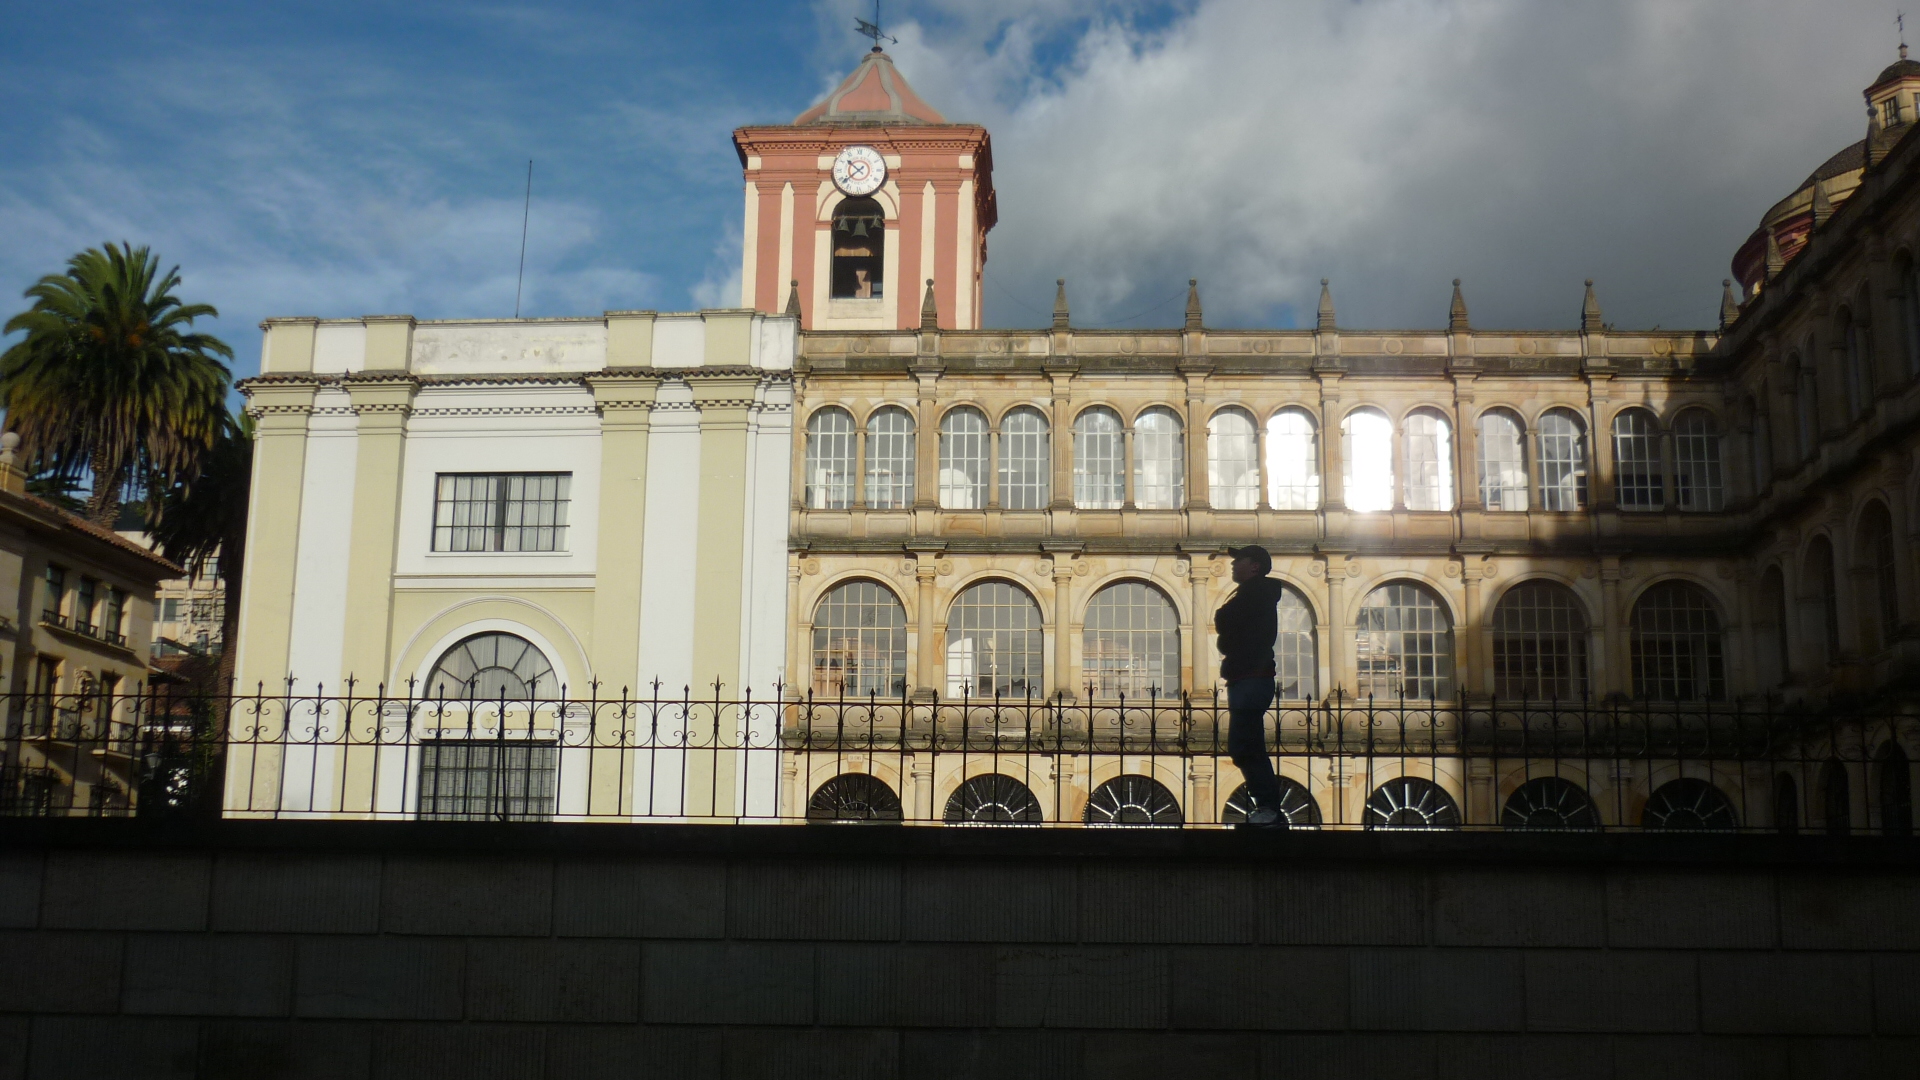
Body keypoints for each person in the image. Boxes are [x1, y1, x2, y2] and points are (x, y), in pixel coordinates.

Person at [1215, 544, 1287, 828]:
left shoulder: (1254, 593)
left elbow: (1224, 621)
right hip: (1247, 677)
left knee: (1246, 744)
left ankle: (1269, 808)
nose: (1233, 565)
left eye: (1239, 560)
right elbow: (1227, 630)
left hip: (1251, 677)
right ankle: (1267, 807)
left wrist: (1226, 631)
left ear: (1254, 566)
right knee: (1245, 743)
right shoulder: (1254, 593)